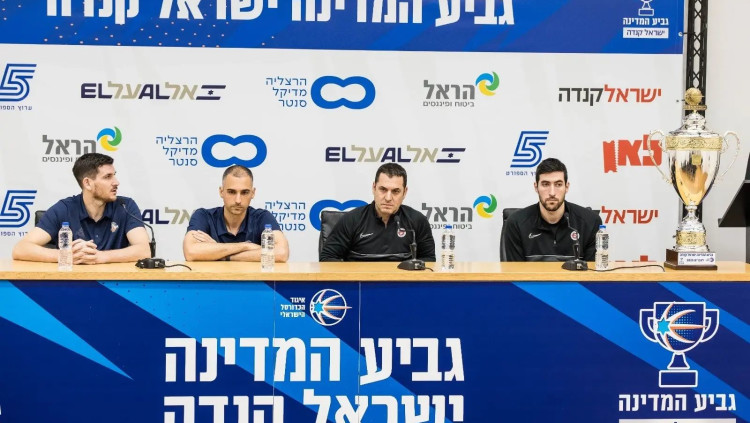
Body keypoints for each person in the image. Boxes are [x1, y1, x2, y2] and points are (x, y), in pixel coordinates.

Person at [12, 153, 151, 264]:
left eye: (114, 175)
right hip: (72, 285)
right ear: (88, 183)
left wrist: (101, 257)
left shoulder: (125, 206)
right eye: (108, 177)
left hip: (116, 284)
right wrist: (65, 255)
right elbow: (20, 249)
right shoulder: (64, 209)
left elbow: (144, 250)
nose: (116, 182)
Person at [320, 163, 436, 262]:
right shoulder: (352, 219)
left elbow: (429, 260)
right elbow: (327, 258)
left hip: (402, 281)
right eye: (383, 189)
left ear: (405, 192)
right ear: (374, 188)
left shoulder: (417, 220)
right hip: (360, 281)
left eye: (395, 191)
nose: (388, 198)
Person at [501, 158, 602, 262]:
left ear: (567, 187)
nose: (552, 193)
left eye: (558, 184)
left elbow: (592, 271)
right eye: (545, 184)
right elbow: (515, 271)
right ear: (536, 187)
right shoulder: (516, 223)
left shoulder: (590, 222)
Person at [183, 165, 289, 262]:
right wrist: (245, 246)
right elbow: (191, 252)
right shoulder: (203, 216)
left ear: (253, 193)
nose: (238, 200)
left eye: (244, 192)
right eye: (231, 192)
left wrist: (222, 255)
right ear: (221, 192)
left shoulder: (262, 217)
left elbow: (281, 253)